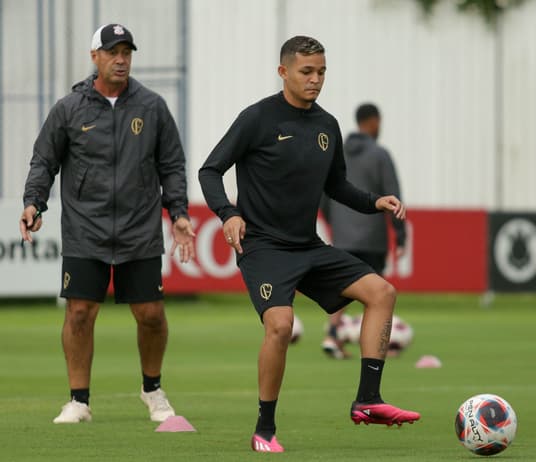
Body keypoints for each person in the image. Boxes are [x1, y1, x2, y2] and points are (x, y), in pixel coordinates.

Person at [198, 35, 420, 453]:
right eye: (306, 72)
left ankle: (368, 401)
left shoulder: (327, 125)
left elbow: (336, 186)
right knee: (280, 326)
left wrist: (375, 202)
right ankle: (264, 428)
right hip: (263, 248)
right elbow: (210, 171)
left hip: (307, 246)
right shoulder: (257, 118)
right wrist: (228, 214)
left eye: (321, 72)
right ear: (283, 72)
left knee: (382, 293)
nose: (315, 79)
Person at [19, 23, 195, 424]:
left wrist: (180, 213)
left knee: (150, 313)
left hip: (139, 229)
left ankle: (152, 390)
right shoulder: (69, 108)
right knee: (79, 312)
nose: (121, 59)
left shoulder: (152, 107)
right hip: (86, 229)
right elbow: (44, 161)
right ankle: (78, 401)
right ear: (94, 56)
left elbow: (172, 165)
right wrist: (34, 203)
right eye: (113, 52)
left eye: (127, 52)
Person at [320, 103, 406, 359]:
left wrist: (335, 223)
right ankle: (372, 349)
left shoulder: (339, 153)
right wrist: (400, 235)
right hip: (372, 237)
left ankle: (332, 336)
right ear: (374, 122)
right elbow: (393, 196)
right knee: (375, 295)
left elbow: (325, 193)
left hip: (343, 236)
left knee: (342, 289)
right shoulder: (380, 155)